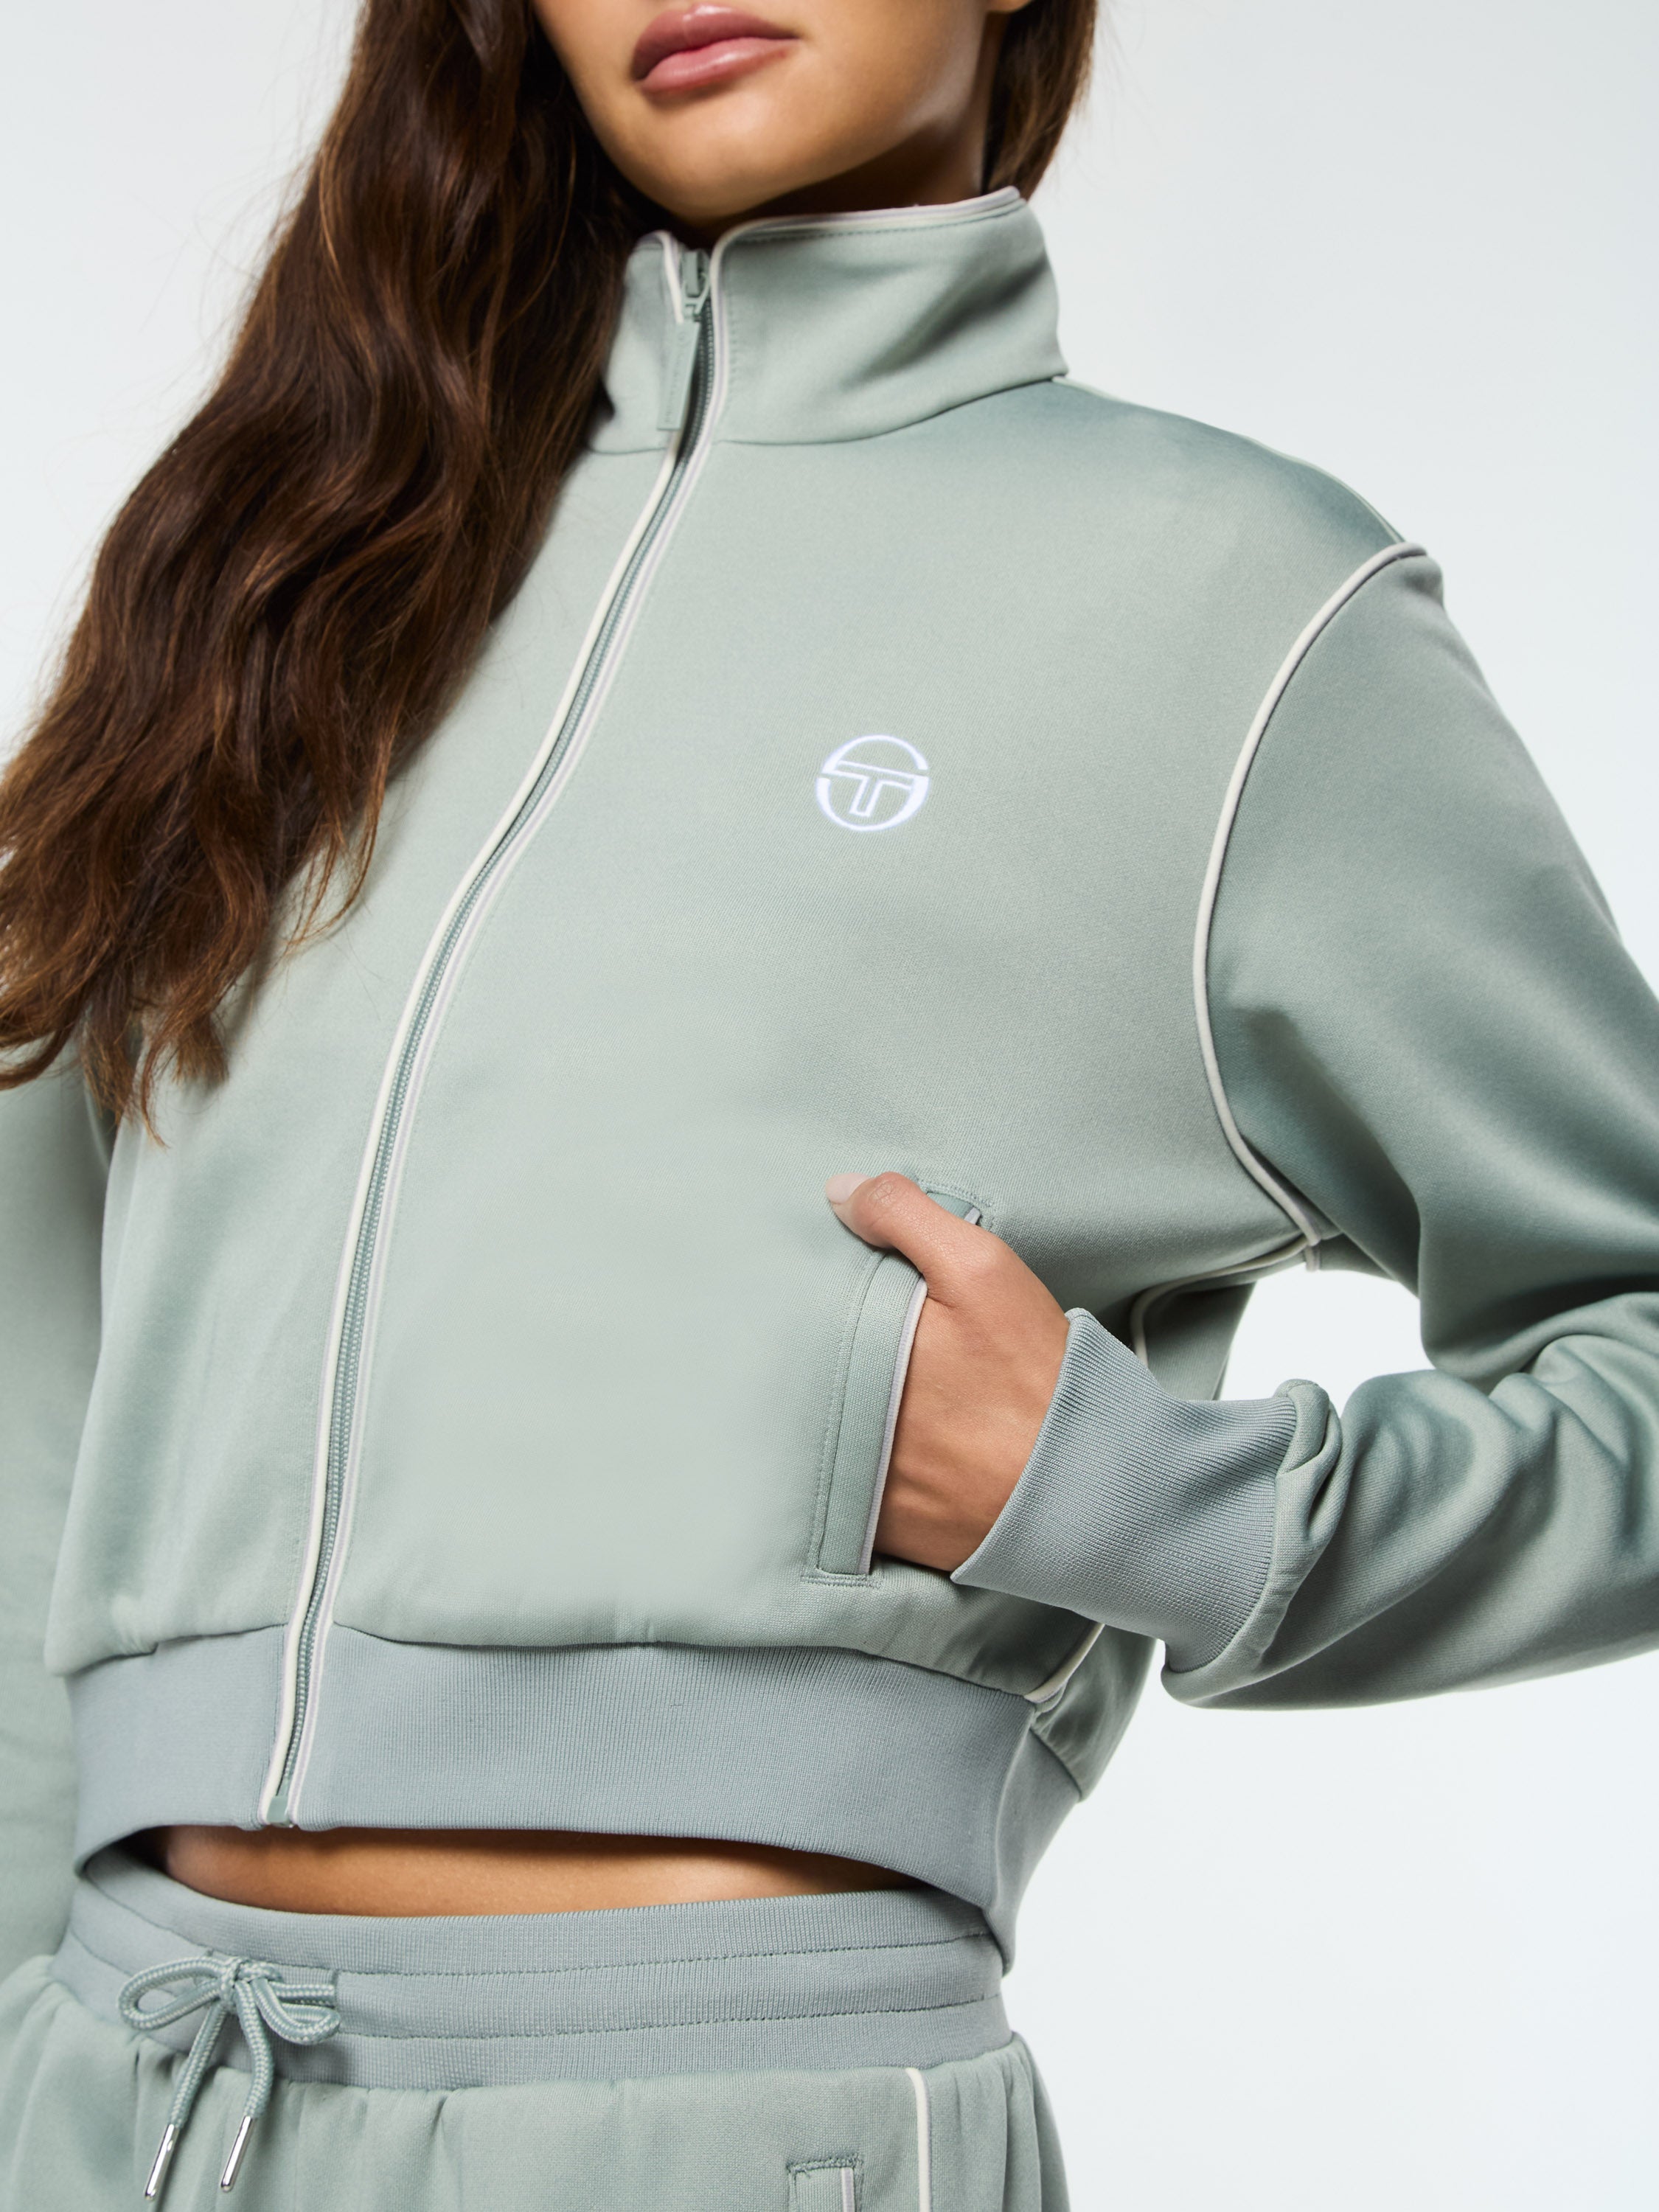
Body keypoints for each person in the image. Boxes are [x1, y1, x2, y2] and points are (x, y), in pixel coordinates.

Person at [3, 0, 1658, 2202]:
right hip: (114, 2097)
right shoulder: (287, 576)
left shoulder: (1235, 607)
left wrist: (1150, 1502)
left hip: (722, 2115)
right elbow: (36, 1388)